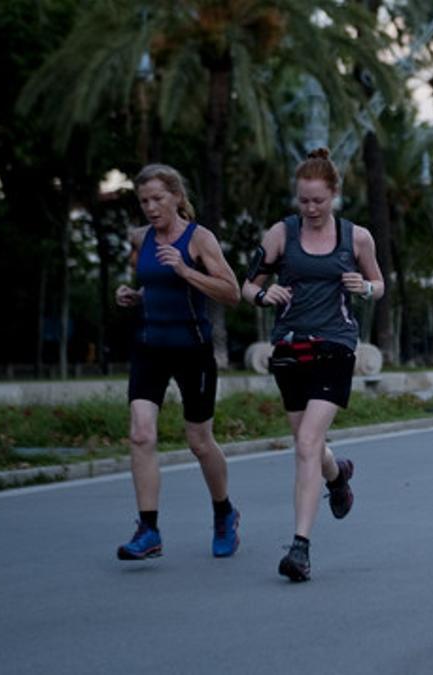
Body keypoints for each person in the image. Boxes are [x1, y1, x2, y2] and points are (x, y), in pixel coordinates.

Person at [241, 148, 384, 582]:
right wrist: (263, 295)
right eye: (303, 200)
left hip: (335, 345)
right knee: (308, 444)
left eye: (318, 200)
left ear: (334, 194)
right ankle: (337, 476)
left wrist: (365, 287)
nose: (311, 208)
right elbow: (247, 285)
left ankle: (299, 549)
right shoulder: (280, 234)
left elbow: (379, 284)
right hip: (289, 346)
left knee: (306, 442)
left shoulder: (356, 237)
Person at [114, 164, 242, 561]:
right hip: (150, 346)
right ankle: (148, 529)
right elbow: (153, 285)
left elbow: (232, 293)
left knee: (199, 442)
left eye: (158, 199)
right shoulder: (140, 238)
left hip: (193, 349)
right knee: (141, 434)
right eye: (144, 201)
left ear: (176, 197)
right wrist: (133, 295)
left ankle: (224, 513)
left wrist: (186, 270)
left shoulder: (199, 238)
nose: (151, 208)